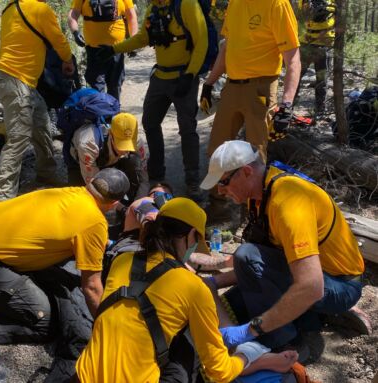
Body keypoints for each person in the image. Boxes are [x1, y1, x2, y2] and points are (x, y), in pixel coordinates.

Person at [75, 197, 299, 382]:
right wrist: (250, 359)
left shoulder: (122, 261)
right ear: (190, 235)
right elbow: (219, 372)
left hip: (85, 374)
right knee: (189, 351)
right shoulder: (191, 286)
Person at [200, 140, 365, 350]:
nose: (220, 191)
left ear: (246, 171)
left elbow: (311, 287)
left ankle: (286, 343)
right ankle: (309, 320)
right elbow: (259, 263)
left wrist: (251, 330)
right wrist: (215, 283)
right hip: (315, 275)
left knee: (246, 257)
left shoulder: (288, 204)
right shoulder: (261, 192)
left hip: (339, 285)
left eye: (223, 182)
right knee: (235, 303)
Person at [0, 168, 130, 344]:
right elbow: (91, 287)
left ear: (90, 182)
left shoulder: (68, 192)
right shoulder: (94, 223)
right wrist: (107, 326)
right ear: (114, 203)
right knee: (44, 322)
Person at [96, 0, 209, 201]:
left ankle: (192, 182)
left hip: (184, 77)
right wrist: (114, 49)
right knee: (150, 122)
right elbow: (142, 38)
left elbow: (202, 41)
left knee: (187, 129)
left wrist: (191, 74)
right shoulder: (153, 8)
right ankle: (157, 176)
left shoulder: (187, 5)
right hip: (160, 77)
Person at [0, 0, 75, 202]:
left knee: (42, 123)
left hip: (17, 80)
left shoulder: (11, 8)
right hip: (15, 80)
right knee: (19, 138)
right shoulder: (40, 10)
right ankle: (1, 196)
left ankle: (46, 172)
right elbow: (59, 40)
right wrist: (68, 60)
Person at [202, 0, 301, 163]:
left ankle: (251, 188)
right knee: (217, 151)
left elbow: (293, 61)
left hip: (261, 88)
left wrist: (286, 106)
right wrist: (208, 83)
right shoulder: (235, 3)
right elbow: (227, 48)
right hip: (232, 86)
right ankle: (219, 189)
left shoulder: (277, 5)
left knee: (256, 155)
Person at [69, 112, 150, 203]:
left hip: (109, 158)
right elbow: (94, 185)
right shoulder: (89, 145)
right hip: (84, 162)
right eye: (121, 144)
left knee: (134, 161)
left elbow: (144, 179)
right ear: (111, 134)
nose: (125, 151)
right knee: (81, 199)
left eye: (129, 145)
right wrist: (118, 207)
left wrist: (138, 202)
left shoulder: (138, 141)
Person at [67, 0, 138, 100]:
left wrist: (133, 41)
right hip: (94, 50)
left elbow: (131, 16)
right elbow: (73, 13)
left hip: (117, 49)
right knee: (96, 87)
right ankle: (100, 114)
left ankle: (113, 113)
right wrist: (75, 32)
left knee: (115, 86)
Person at [294, 0, 335, 120]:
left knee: (297, 75)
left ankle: (290, 106)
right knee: (321, 78)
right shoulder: (332, 2)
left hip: (307, 41)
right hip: (324, 42)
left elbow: (300, 16)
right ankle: (320, 110)